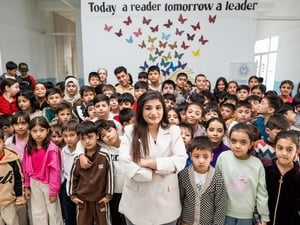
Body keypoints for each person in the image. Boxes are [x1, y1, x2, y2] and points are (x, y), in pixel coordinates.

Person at [119, 91, 187, 225]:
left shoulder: (174, 130)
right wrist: (150, 174)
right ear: (140, 110)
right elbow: (125, 163)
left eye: (158, 107)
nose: (154, 112)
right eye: (148, 108)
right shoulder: (130, 131)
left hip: (166, 201)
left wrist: (150, 163)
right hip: (137, 200)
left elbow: (180, 160)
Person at [215, 123, 269, 225]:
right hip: (225, 213)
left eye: (243, 142)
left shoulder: (257, 164)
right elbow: (216, 185)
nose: (237, 146)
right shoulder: (223, 157)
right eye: (233, 141)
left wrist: (264, 216)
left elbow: (261, 192)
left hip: (247, 216)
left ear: (251, 144)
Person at [69, 121, 114, 225]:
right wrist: (72, 195)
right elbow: (73, 177)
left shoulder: (104, 155)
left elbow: (110, 175)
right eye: (83, 139)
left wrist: (108, 195)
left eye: (90, 137)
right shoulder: (77, 158)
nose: (87, 141)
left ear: (97, 136)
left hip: (101, 199)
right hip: (82, 200)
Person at [22, 116, 63, 225]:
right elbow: (25, 168)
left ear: (48, 131)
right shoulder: (28, 148)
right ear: (30, 132)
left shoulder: (52, 149)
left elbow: (55, 172)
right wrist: (27, 186)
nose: (38, 134)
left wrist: (54, 191)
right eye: (35, 131)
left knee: (53, 211)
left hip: (49, 184)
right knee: (37, 211)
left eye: (41, 130)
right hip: (34, 183)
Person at [178, 136, 227, 225]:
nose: (201, 161)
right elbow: (180, 199)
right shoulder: (184, 175)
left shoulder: (217, 178)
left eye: (205, 157)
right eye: (196, 156)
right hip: (186, 221)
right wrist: (179, 217)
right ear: (190, 156)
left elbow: (220, 206)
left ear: (211, 157)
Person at [264, 130, 300, 225]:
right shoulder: (266, 168)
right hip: (265, 220)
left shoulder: (298, 174)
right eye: (280, 148)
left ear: (297, 151)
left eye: (289, 149)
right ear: (274, 148)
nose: (284, 153)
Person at [0, 129, 25, 225]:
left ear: (3, 142)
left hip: (8, 201)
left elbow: (18, 179)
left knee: (12, 222)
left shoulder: (12, 159)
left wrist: (20, 197)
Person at [60, 120, 80, 225]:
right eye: (65, 136)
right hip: (67, 184)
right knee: (69, 213)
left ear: (79, 135)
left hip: (81, 185)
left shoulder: (82, 151)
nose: (68, 139)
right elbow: (62, 169)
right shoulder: (63, 150)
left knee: (82, 214)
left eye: (72, 135)